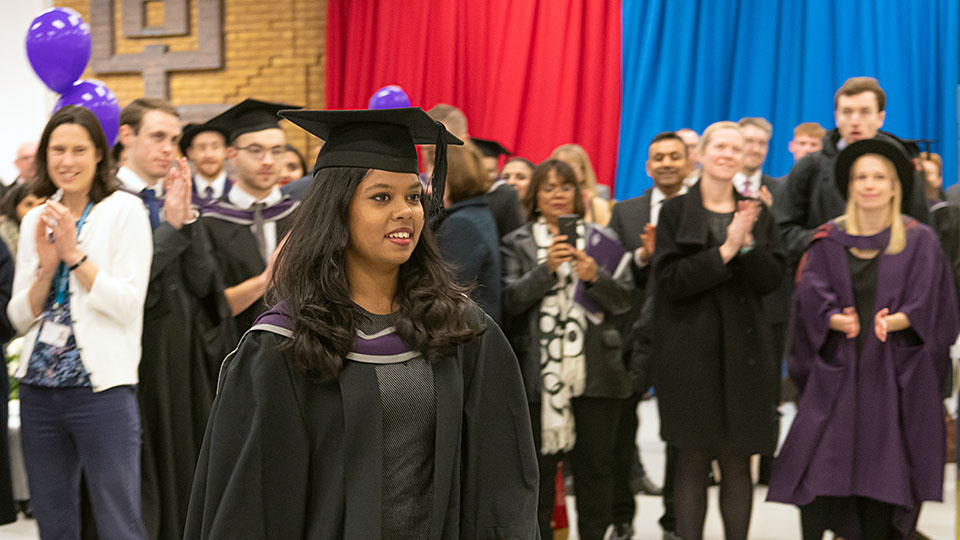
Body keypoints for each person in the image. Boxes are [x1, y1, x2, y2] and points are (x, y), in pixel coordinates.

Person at [184, 106, 538, 539]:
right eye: (381, 197)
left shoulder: (461, 331)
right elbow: (250, 502)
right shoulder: (282, 345)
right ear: (338, 209)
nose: (405, 211)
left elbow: (501, 482)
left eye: (413, 196)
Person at [767, 139, 959, 540]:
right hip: (835, 384)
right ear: (849, 186)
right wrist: (832, 320)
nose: (869, 185)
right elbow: (805, 305)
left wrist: (905, 319)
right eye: (861, 177)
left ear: (895, 186)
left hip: (892, 386)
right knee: (820, 481)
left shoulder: (919, 241)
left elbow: (939, 309)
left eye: (879, 177)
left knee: (881, 487)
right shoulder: (826, 240)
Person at [8, 105, 153, 539]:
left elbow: (129, 304)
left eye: (77, 150)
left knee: (118, 518)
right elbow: (18, 318)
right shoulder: (37, 216)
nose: (66, 161)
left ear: (98, 156)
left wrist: (74, 257)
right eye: (57, 150)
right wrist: (47, 270)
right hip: (39, 391)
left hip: (101, 391)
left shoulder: (125, 211)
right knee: (52, 521)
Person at [652, 121, 785, 540]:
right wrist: (725, 250)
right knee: (691, 460)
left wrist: (746, 243)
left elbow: (772, 282)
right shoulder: (675, 211)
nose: (729, 153)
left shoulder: (755, 211)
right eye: (721, 146)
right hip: (688, 355)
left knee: (736, 460)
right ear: (703, 154)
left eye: (738, 147)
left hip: (745, 355)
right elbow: (670, 282)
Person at [117, 97, 235, 540]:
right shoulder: (111, 201)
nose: (170, 148)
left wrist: (185, 220)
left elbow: (206, 284)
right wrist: (170, 227)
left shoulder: (174, 194)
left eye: (174, 139)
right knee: (147, 474)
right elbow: (132, 282)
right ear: (126, 137)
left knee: (185, 468)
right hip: (139, 354)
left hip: (182, 353)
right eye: (158, 137)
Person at [501, 159, 633, 540]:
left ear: (578, 193)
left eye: (566, 187)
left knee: (596, 471)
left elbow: (624, 301)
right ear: (536, 197)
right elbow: (508, 301)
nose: (558, 195)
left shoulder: (601, 240)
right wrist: (546, 270)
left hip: (596, 374)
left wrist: (595, 277)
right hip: (538, 377)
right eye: (549, 188)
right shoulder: (517, 243)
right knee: (538, 475)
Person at [607, 131, 689, 540]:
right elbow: (611, 272)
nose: (667, 163)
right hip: (629, 335)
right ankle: (621, 516)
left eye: (675, 156)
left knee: (680, 433)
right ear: (648, 166)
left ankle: (675, 520)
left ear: (689, 163)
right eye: (659, 157)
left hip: (685, 338)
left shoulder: (701, 208)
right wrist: (642, 256)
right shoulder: (625, 211)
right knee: (620, 432)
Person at [776, 77, 930, 266]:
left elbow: (921, 229)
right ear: (836, 117)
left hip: (890, 277)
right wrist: (826, 239)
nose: (855, 121)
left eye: (865, 112)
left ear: (880, 118)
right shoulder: (810, 167)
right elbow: (781, 232)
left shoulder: (900, 164)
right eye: (847, 112)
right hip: (825, 277)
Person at [199, 99, 302, 337]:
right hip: (235, 352)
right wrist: (265, 280)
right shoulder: (209, 223)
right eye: (256, 150)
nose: (267, 161)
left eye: (277, 151)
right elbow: (209, 309)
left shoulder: (302, 216)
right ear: (232, 155)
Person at [435, 142, 502, 323]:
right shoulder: (478, 213)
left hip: (461, 333)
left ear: (451, 177)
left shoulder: (461, 223)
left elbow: (448, 292)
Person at [551, 143, 612, 224]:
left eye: (570, 168)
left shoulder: (598, 200)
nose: (564, 173)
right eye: (559, 168)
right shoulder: (545, 198)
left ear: (583, 172)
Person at [180, 121, 232, 206]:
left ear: (227, 151)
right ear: (190, 153)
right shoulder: (179, 195)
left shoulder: (240, 194)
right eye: (201, 148)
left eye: (215, 147)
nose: (209, 155)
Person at [0, 183, 46, 260]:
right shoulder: (3, 236)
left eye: (41, 204)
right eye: (29, 205)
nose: (36, 210)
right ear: (14, 208)